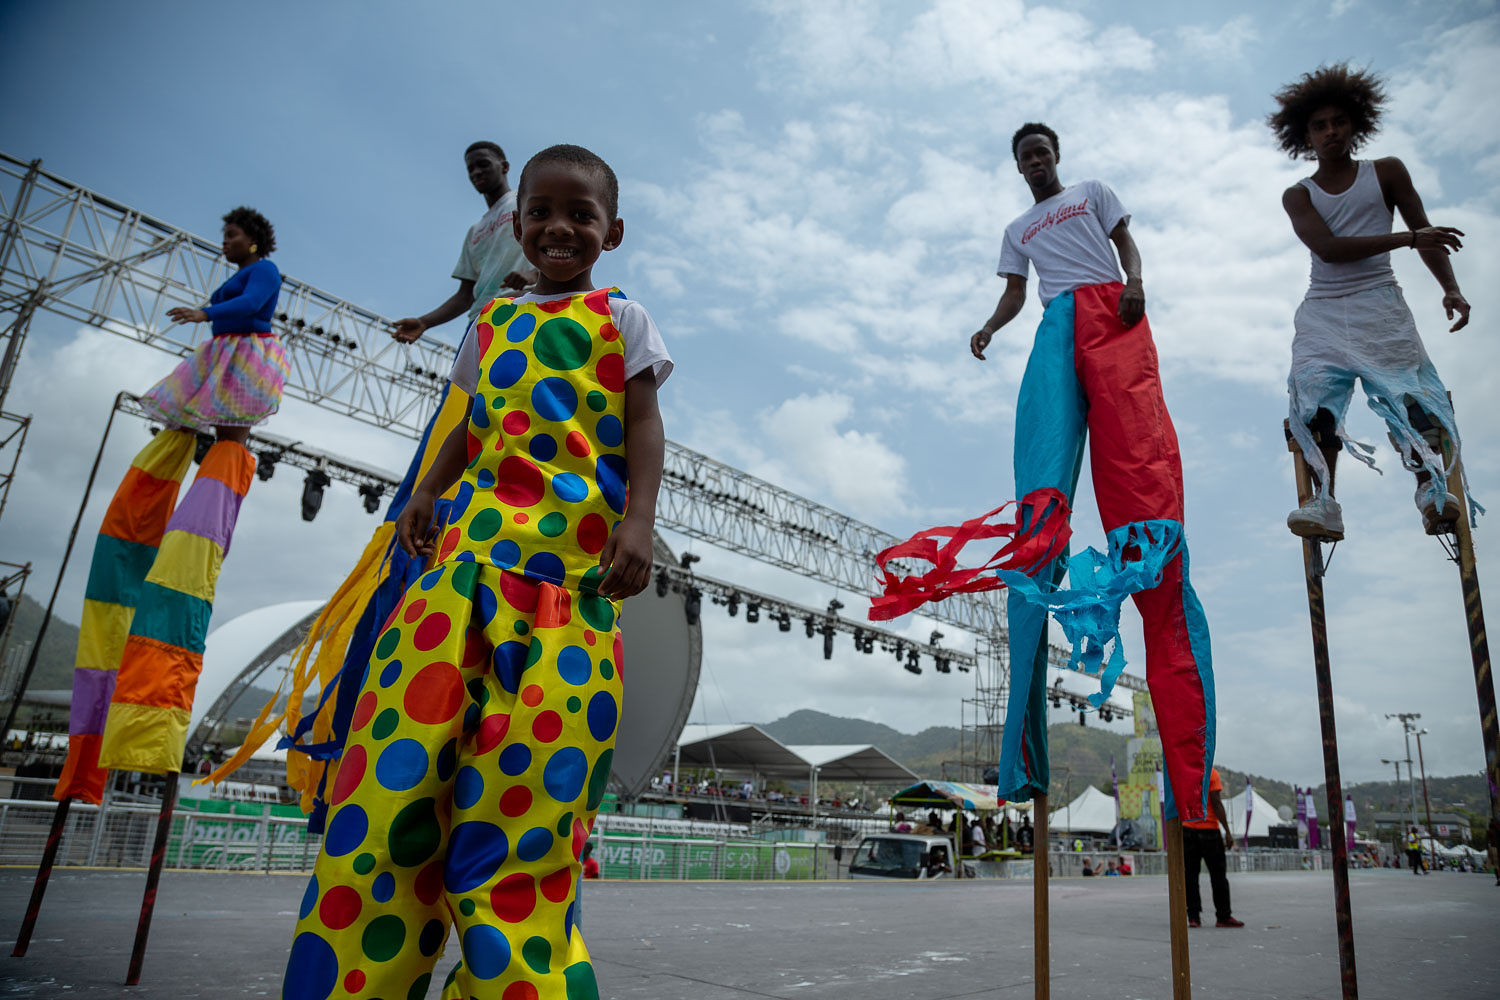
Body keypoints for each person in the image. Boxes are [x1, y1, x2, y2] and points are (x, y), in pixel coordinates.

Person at [281, 144, 671, 1000]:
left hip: (562, 605)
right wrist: (426, 491)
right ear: (517, 223)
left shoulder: (624, 318)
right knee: (385, 809)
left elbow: (645, 425)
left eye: (581, 215)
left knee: (521, 832)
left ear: (613, 233)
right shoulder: (491, 323)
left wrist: (638, 520)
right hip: (454, 586)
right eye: (541, 212)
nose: (559, 228)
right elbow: (470, 422)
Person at [969, 122, 1215, 829]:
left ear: (1056, 157)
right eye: (1025, 157)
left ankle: (1191, 783)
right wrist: (990, 326)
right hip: (1056, 324)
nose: (1036, 162)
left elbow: (1125, 242)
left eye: (1043, 152)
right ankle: (1022, 755)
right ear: (1018, 168)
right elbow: (1017, 293)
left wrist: (1137, 281)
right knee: (1040, 508)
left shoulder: (1092, 194)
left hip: (1112, 311)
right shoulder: (1019, 227)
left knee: (1142, 490)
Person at [54, 207, 285, 803]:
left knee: (231, 435)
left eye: (232, 235)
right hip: (222, 353)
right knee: (181, 421)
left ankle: (223, 461)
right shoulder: (244, 269)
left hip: (242, 351)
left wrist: (206, 312)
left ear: (253, 239)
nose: (226, 242)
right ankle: (186, 451)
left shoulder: (266, 270)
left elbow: (246, 307)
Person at [1270, 65, 1476, 539]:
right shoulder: (1298, 194)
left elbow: (1425, 235)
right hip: (1323, 308)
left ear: (1355, 124)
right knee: (1314, 409)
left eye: (1338, 122)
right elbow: (1329, 249)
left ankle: (1433, 492)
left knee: (1412, 401)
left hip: (1380, 304)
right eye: (1320, 126)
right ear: (1306, 135)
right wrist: (1409, 238)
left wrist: (1451, 288)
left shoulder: (1386, 171)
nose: (1331, 132)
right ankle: (1324, 503)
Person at [392, 141, 538, 344]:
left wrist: (533, 274)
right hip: (479, 320)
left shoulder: (524, 203)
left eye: (483, 164)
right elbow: (465, 295)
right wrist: (424, 322)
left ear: (504, 167)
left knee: (513, 374)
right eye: (471, 169)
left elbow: (558, 248)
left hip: (520, 306)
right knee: (463, 377)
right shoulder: (474, 231)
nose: (476, 172)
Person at [1182, 767, 1243, 928]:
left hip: (1187, 829)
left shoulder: (1185, 771)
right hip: (1208, 829)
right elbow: (1215, 801)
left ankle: (1193, 917)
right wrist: (1228, 833)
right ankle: (1223, 916)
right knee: (1218, 876)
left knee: (1190, 876)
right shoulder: (1211, 773)